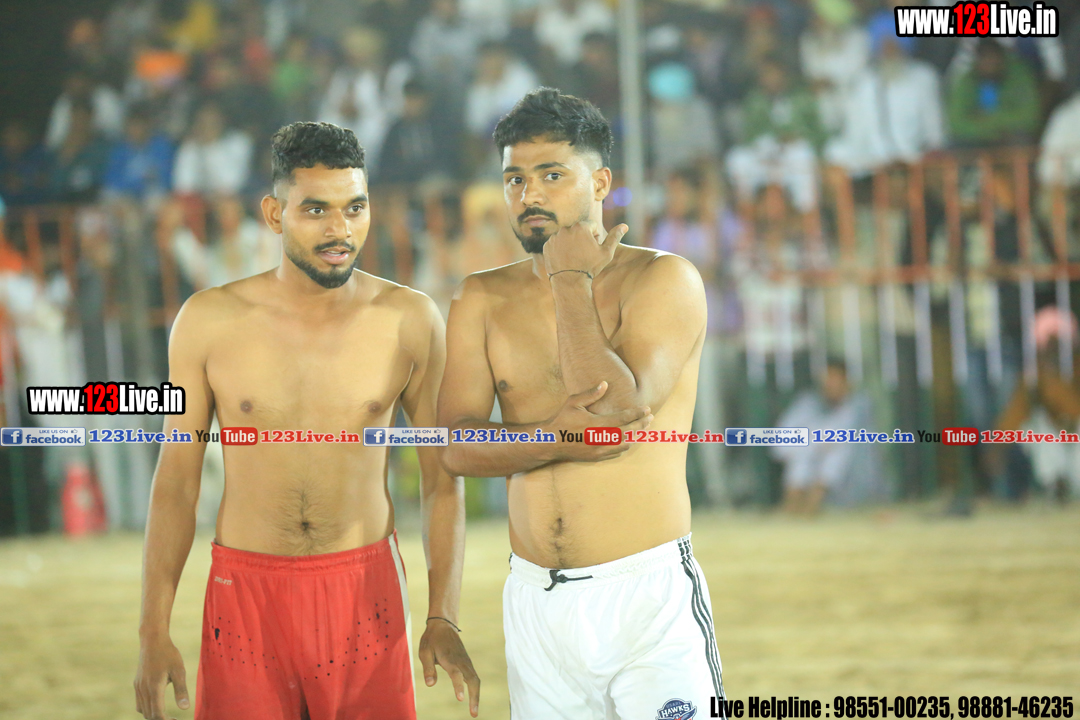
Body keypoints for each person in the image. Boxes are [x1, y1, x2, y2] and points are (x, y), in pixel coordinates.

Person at [133, 122, 479, 720]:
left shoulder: (410, 319)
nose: (340, 229)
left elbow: (442, 478)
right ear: (275, 214)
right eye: (316, 209)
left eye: (355, 208)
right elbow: (176, 482)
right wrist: (152, 630)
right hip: (244, 596)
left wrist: (442, 614)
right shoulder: (207, 321)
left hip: (365, 594)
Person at [437, 88, 725, 718]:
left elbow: (614, 420)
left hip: (646, 596)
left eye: (551, 175)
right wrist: (554, 436)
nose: (529, 195)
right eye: (514, 179)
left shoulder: (663, 277)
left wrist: (570, 279)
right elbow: (455, 447)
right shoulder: (481, 297)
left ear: (600, 183)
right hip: (534, 601)